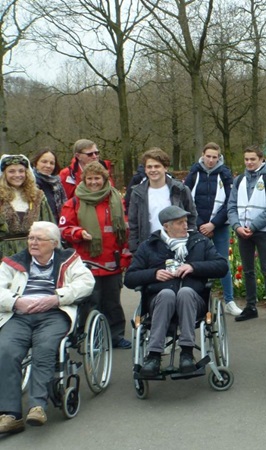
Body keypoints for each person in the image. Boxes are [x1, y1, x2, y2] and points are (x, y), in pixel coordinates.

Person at [0, 222, 94, 433]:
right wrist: (15, 301)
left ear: (53, 243)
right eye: (31, 238)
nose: (33, 242)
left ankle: (37, 406)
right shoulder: (14, 262)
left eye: (38, 239)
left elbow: (86, 283)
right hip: (20, 314)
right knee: (5, 350)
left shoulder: (69, 260)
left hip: (54, 313)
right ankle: (10, 414)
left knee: (44, 348)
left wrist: (57, 298)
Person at [123, 206, 229, 377]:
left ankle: (187, 353)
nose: (185, 226)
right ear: (166, 226)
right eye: (180, 223)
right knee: (167, 294)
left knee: (185, 293)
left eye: (186, 222)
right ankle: (154, 356)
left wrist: (194, 267)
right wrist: (154, 274)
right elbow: (129, 278)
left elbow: (222, 266)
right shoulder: (150, 246)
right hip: (159, 302)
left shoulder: (199, 242)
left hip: (194, 302)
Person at [60, 162, 132, 349]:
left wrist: (125, 257)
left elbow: (126, 231)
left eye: (97, 178)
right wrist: (78, 233)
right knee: (89, 301)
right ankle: (90, 337)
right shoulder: (74, 202)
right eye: (90, 179)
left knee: (112, 302)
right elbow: (64, 229)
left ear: (105, 179)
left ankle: (116, 336)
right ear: (84, 180)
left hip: (112, 262)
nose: (93, 182)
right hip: (86, 262)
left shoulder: (117, 200)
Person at [184, 143, 240, 317]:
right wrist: (201, 224)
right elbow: (187, 199)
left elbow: (230, 201)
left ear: (219, 157)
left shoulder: (224, 173)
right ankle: (196, 300)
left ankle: (229, 301)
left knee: (223, 263)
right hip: (197, 226)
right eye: (208, 156)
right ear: (202, 155)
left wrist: (214, 224)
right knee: (196, 263)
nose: (210, 160)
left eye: (214, 157)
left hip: (220, 226)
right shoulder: (195, 172)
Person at [227, 145, 266, 321]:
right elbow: (232, 205)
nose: (249, 162)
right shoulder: (239, 179)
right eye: (246, 159)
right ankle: (251, 306)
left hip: (262, 231)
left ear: (261, 159)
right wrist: (236, 226)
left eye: (253, 159)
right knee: (248, 270)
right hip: (242, 231)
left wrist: (254, 226)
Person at [127, 148, 197, 253]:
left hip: (177, 244)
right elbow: (133, 224)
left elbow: (191, 217)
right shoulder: (137, 193)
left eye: (157, 166)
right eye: (149, 167)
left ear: (165, 168)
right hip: (149, 245)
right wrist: (135, 249)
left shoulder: (180, 189)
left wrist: (191, 241)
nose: (153, 170)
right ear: (145, 170)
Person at [0, 155, 55, 260]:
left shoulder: (37, 196)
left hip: (34, 254)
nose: (17, 175)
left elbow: (49, 227)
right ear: (4, 174)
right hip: (4, 255)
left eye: (21, 171)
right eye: (11, 171)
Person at [30, 148, 67, 217]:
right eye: (44, 162)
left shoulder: (57, 184)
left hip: (56, 225)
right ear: (35, 163)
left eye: (52, 163)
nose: (48, 166)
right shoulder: (30, 183)